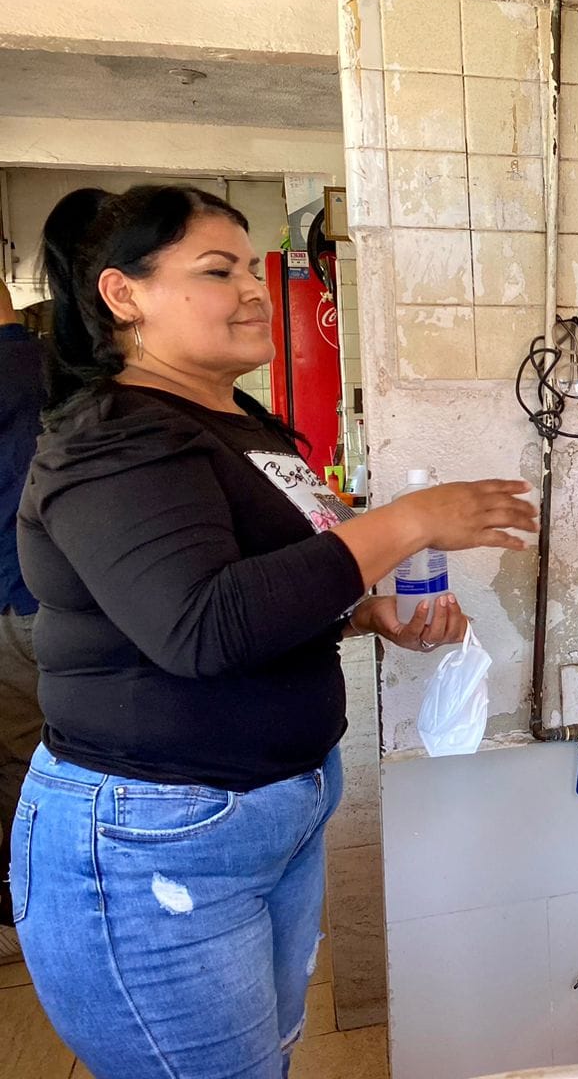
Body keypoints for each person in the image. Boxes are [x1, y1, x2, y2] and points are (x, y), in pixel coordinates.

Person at [11, 186, 540, 1077]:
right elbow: (199, 626)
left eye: (251, 269)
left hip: (271, 811)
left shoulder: (243, 425)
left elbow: (263, 583)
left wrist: (364, 612)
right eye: (215, 271)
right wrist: (407, 521)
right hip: (153, 834)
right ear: (122, 294)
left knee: (265, 1059)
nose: (253, 291)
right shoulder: (115, 439)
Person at [0, 274, 46, 963]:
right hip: (64, 600)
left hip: (10, 605)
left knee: (22, 763)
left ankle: (28, 910)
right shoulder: (50, 370)